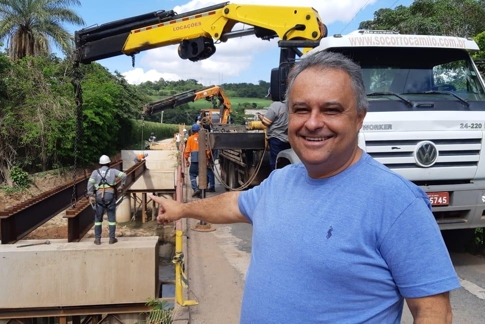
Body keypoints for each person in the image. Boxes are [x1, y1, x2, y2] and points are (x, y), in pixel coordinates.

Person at [149, 51, 460, 323]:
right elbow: (233, 204)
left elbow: (434, 312)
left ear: (359, 118)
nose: (312, 123)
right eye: (301, 109)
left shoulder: (396, 202)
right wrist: (183, 209)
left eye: (331, 110)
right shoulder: (282, 181)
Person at [87, 155, 127, 245]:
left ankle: (97, 239)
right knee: (111, 218)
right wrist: (122, 185)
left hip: (99, 197)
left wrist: (90, 194)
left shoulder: (95, 172)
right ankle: (112, 239)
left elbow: (90, 183)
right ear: (109, 163)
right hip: (110, 196)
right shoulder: (113, 171)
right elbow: (124, 175)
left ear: (100, 163)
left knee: (98, 219)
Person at [258, 87, 290, 171]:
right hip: (287, 138)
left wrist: (261, 117)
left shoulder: (275, 105)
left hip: (276, 138)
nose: (270, 97)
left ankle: (276, 179)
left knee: (275, 161)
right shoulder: (289, 105)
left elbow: (267, 122)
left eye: (270, 95)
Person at [184, 123, 215, 198]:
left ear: (192, 131)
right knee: (204, 175)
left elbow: (187, 150)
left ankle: (195, 189)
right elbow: (208, 150)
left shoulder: (190, 138)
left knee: (192, 174)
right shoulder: (204, 138)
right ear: (199, 130)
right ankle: (202, 190)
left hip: (194, 160)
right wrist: (207, 158)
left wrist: (186, 159)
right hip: (203, 161)